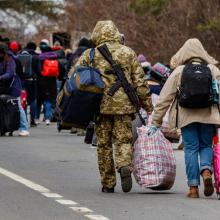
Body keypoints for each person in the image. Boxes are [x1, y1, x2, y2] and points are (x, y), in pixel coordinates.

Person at [75, 20, 153, 193]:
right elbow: (140, 81)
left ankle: (108, 183)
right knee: (124, 140)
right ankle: (124, 164)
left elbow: (77, 78)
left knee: (103, 144)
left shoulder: (90, 54)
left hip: (99, 106)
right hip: (124, 106)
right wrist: (147, 105)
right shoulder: (128, 52)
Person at [148, 38, 220, 198]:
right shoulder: (212, 69)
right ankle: (207, 171)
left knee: (191, 149)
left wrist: (156, 122)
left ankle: (193, 188)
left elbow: (164, 98)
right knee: (206, 146)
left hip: (186, 116)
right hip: (208, 116)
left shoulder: (179, 71)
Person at [0, 43, 29, 136]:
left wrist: (1, 77)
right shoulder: (2, 59)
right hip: (3, 87)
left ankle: (24, 128)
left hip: (13, 87)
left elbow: (10, 73)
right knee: (4, 108)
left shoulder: (10, 59)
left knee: (18, 107)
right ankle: (5, 128)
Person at [36, 40, 58, 125]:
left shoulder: (40, 58)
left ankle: (37, 118)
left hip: (41, 82)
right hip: (51, 82)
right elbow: (60, 69)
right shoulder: (54, 58)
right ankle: (47, 119)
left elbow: (38, 70)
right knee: (48, 100)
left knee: (39, 100)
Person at [20, 42, 40, 127]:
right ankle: (32, 120)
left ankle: (24, 119)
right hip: (32, 81)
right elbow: (39, 71)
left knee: (23, 100)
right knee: (33, 100)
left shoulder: (18, 56)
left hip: (22, 81)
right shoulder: (36, 57)